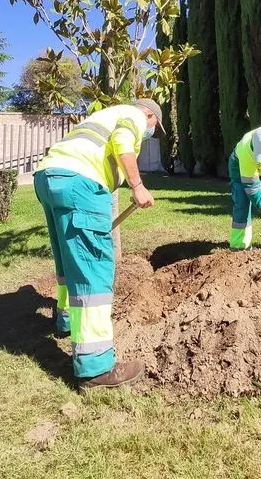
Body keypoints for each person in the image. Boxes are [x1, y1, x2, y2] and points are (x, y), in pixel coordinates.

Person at [33, 98, 163, 389]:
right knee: (93, 268)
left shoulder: (103, 115)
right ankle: (96, 367)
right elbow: (122, 141)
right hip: (81, 183)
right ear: (149, 115)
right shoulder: (134, 115)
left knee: (69, 258)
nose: (151, 131)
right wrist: (138, 186)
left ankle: (66, 320)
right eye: (155, 125)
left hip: (49, 177)